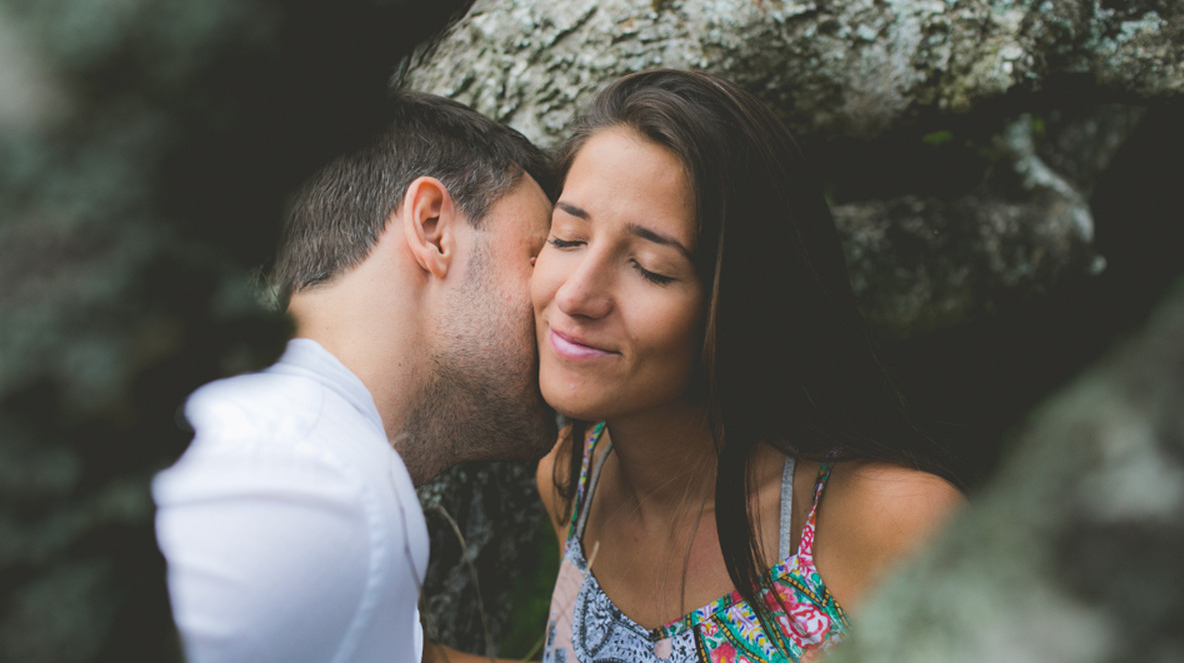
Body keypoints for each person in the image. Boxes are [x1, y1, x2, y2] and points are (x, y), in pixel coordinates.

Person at [532, 69, 964, 663]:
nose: (577, 295)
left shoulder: (891, 521)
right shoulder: (571, 480)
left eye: (652, 268)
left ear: (739, 306)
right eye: (567, 237)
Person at [153, 91, 560, 663]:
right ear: (433, 227)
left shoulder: (294, 447)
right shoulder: (321, 487)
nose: (563, 297)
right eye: (539, 255)